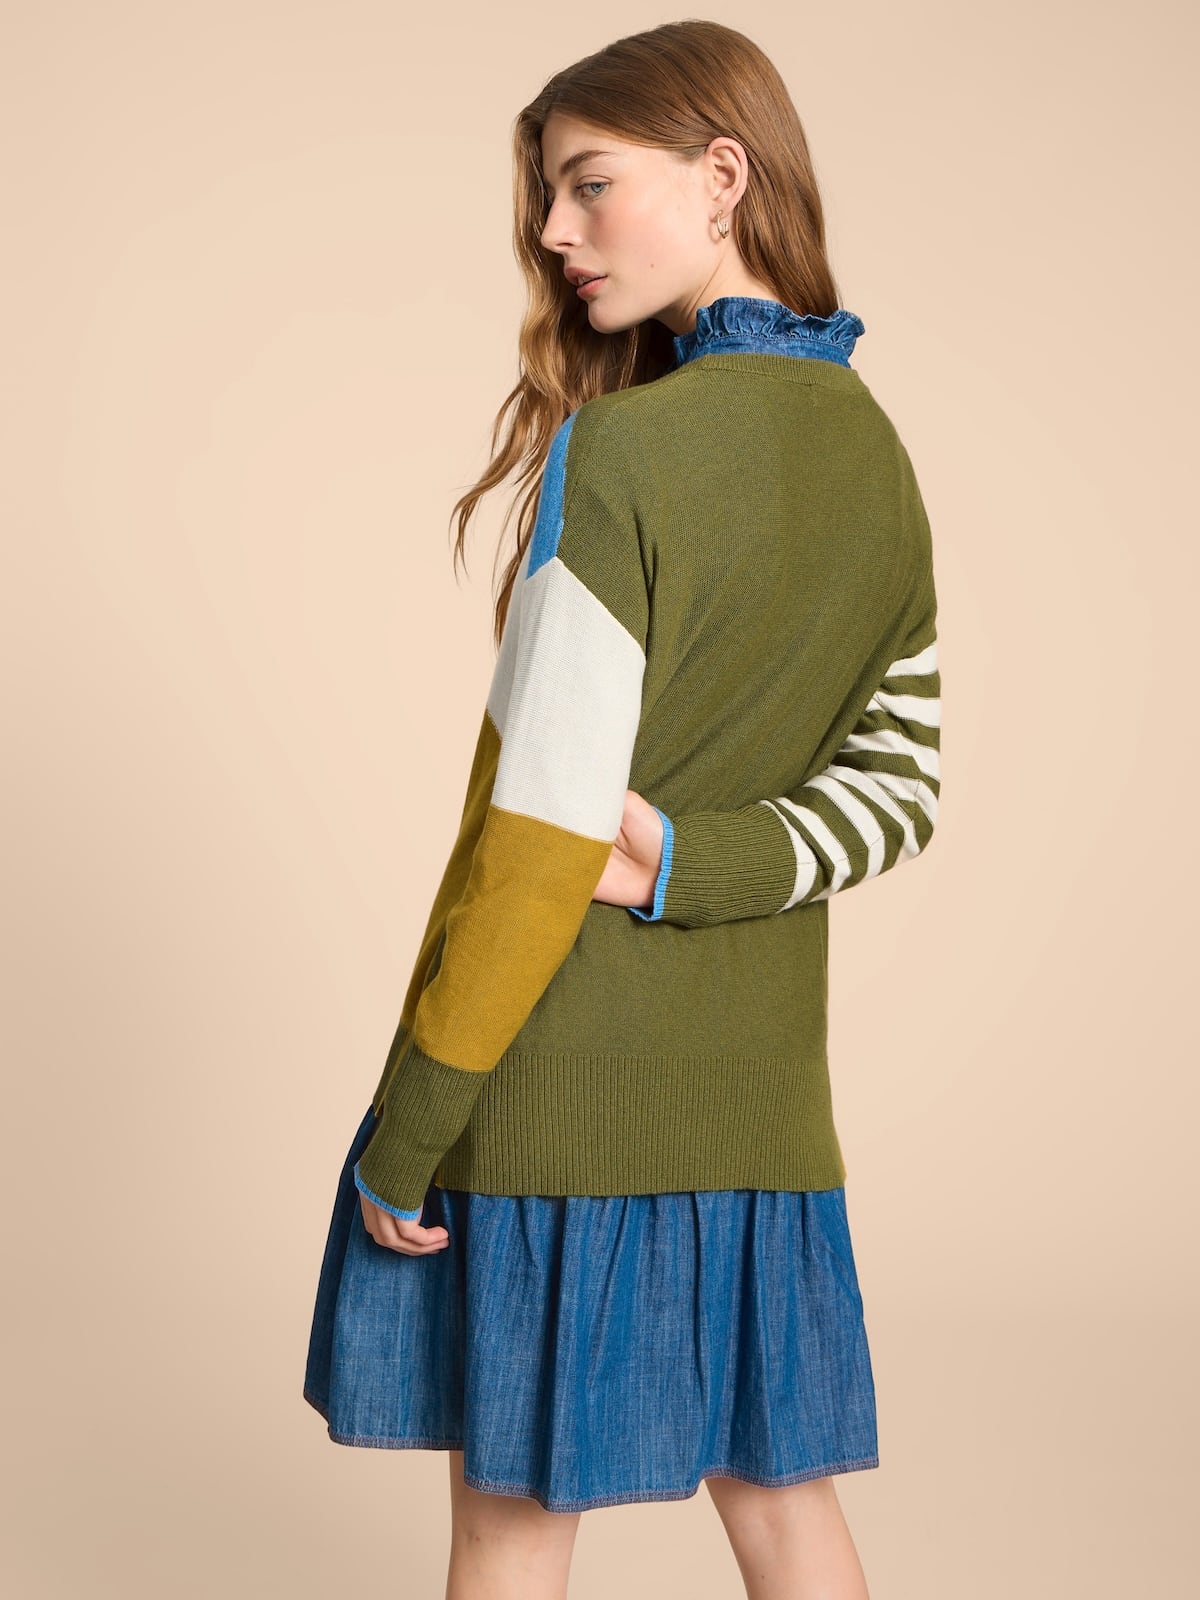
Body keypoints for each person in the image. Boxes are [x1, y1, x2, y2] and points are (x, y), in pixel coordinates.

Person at [304, 20, 941, 1600]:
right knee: (785, 1511)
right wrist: (696, 865)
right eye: (547, 195)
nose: (552, 231)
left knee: (511, 1535)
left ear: (724, 174)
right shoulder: (878, 457)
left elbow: (540, 845)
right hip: (762, 1107)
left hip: (555, 1093)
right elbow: (903, 787)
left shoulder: (627, 451)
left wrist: (410, 1130)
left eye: (588, 184)